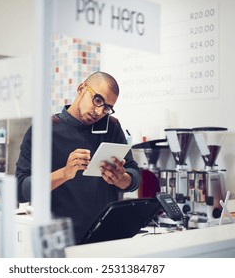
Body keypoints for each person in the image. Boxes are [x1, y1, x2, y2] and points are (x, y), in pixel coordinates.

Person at [15, 71, 141, 244]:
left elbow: (134, 178)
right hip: (61, 240)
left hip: (107, 237)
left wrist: (121, 178)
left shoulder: (111, 127)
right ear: (81, 88)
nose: (99, 111)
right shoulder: (45, 130)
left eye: (106, 108)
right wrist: (65, 173)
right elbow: (21, 190)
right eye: (97, 100)